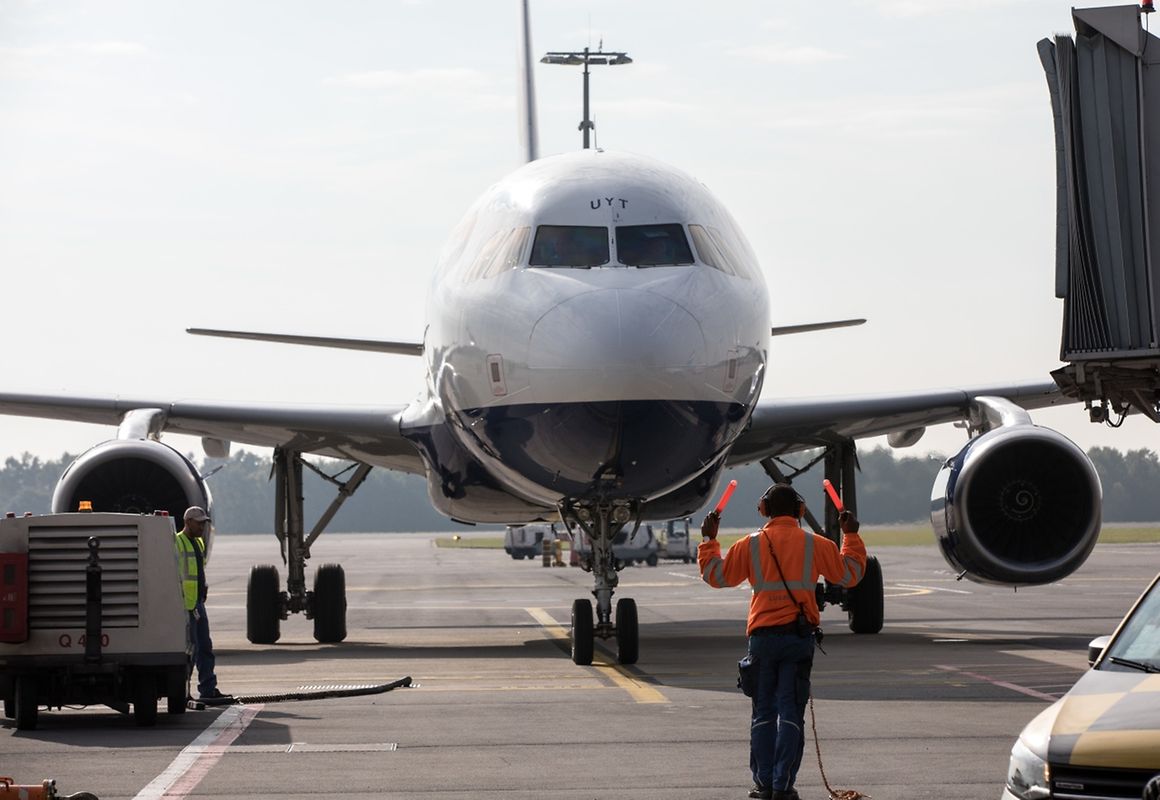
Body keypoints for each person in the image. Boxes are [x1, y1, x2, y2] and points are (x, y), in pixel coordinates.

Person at [698, 483, 867, 800]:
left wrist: (709, 540)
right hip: (797, 639)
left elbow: (715, 576)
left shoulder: (748, 545)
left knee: (763, 712)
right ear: (801, 512)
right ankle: (782, 785)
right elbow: (852, 574)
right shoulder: (816, 544)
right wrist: (851, 536)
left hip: (762, 639)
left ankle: (763, 784)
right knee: (790, 712)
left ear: (763, 509)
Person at [175, 506, 232, 705]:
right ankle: (182, 692)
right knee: (190, 650)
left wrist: (203, 585)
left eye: (204, 523)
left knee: (205, 647)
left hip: (197, 604)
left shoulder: (198, 542)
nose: (202, 526)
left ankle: (208, 689)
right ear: (187, 521)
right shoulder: (177, 542)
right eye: (199, 523)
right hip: (184, 606)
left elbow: (197, 570)